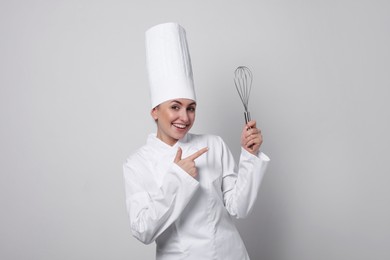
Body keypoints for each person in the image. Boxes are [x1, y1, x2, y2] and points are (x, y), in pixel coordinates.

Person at [123, 22, 270, 260]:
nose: (184, 117)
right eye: (175, 107)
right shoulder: (137, 163)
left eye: (191, 108)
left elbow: (238, 208)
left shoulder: (214, 145)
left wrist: (249, 156)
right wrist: (178, 178)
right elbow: (142, 230)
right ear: (154, 111)